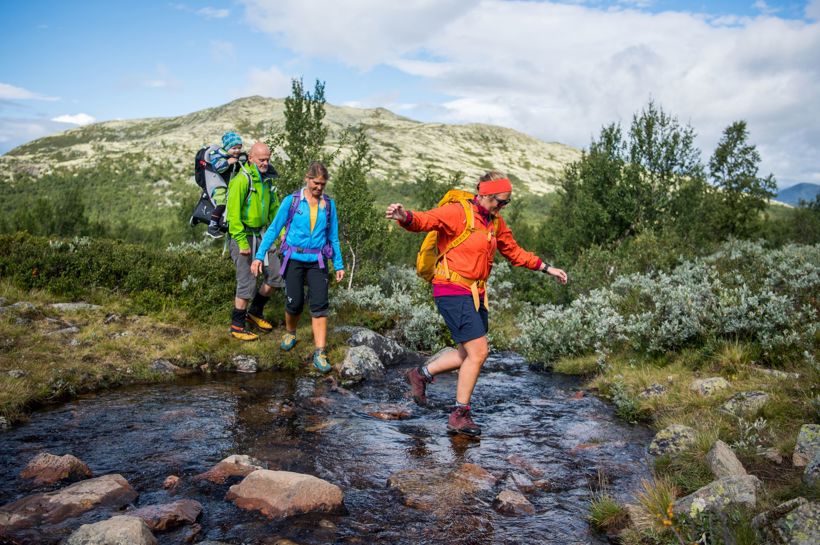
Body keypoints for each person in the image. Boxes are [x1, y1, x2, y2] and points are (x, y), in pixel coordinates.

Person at [385, 171, 568, 436]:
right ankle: (459, 415)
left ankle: (420, 374)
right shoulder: (457, 211)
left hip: (476, 294)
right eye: (500, 201)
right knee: (479, 352)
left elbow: (514, 252)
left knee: (466, 353)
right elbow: (426, 220)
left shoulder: (495, 222)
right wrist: (405, 216)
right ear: (485, 194)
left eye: (506, 203)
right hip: (451, 289)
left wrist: (546, 268)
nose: (502, 207)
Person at [251, 161, 345, 373]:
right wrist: (259, 256)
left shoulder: (329, 205)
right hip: (293, 258)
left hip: (318, 261)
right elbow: (274, 229)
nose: (319, 187)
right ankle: (291, 333)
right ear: (307, 179)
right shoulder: (292, 201)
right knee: (294, 303)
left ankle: (320, 352)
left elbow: (333, 237)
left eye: (322, 184)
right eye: (315, 183)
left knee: (320, 306)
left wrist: (338, 264)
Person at [225, 142, 285, 341]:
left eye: (268, 159)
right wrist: (242, 243)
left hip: (263, 235)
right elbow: (232, 215)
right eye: (261, 160)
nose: (265, 163)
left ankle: (255, 312)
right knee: (247, 282)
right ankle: (237, 326)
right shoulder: (241, 180)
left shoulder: (267, 181)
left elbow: (275, 210)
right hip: (243, 236)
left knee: (275, 275)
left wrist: (282, 231)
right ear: (251, 158)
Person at [205, 131, 246, 239]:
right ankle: (212, 226)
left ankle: (226, 224)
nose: (237, 150)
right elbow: (218, 167)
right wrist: (228, 162)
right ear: (227, 147)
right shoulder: (218, 155)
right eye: (234, 148)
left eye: (239, 148)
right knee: (221, 203)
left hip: (228, 185)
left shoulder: (235, 156)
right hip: (218, 185)